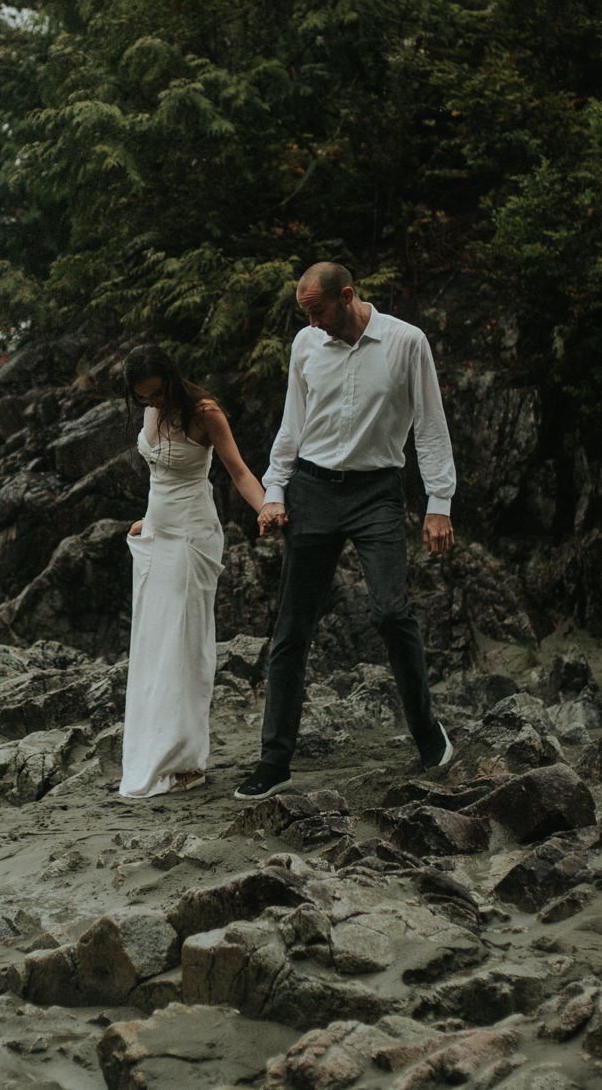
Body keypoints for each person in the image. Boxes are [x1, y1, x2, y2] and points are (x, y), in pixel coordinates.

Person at [234, 262, 458, 801]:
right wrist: (276, 492)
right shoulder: (307, 345)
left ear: (348, 296)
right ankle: (274, 760)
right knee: (292, 628)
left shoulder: (407, 342)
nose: (311, 323)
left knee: (391, 612)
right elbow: (292, 426)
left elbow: (430, 423)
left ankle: (429, 734)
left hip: (377, 491)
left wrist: (439, 502)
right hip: (311, 492)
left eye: (318, 311)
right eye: (304, 314)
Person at [119, 345, 267, 798]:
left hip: (192, 535)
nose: (152, 404)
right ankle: (159, 747)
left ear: (171, 377)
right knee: (155, 643)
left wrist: (269, 510)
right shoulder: (149, 409)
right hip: (160, 531)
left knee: (184, 645)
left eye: (158, 394)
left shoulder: (205, 413)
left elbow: (238, 471)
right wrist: (151, 517)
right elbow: (158, 475)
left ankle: (185, 760)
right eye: (143, 399)